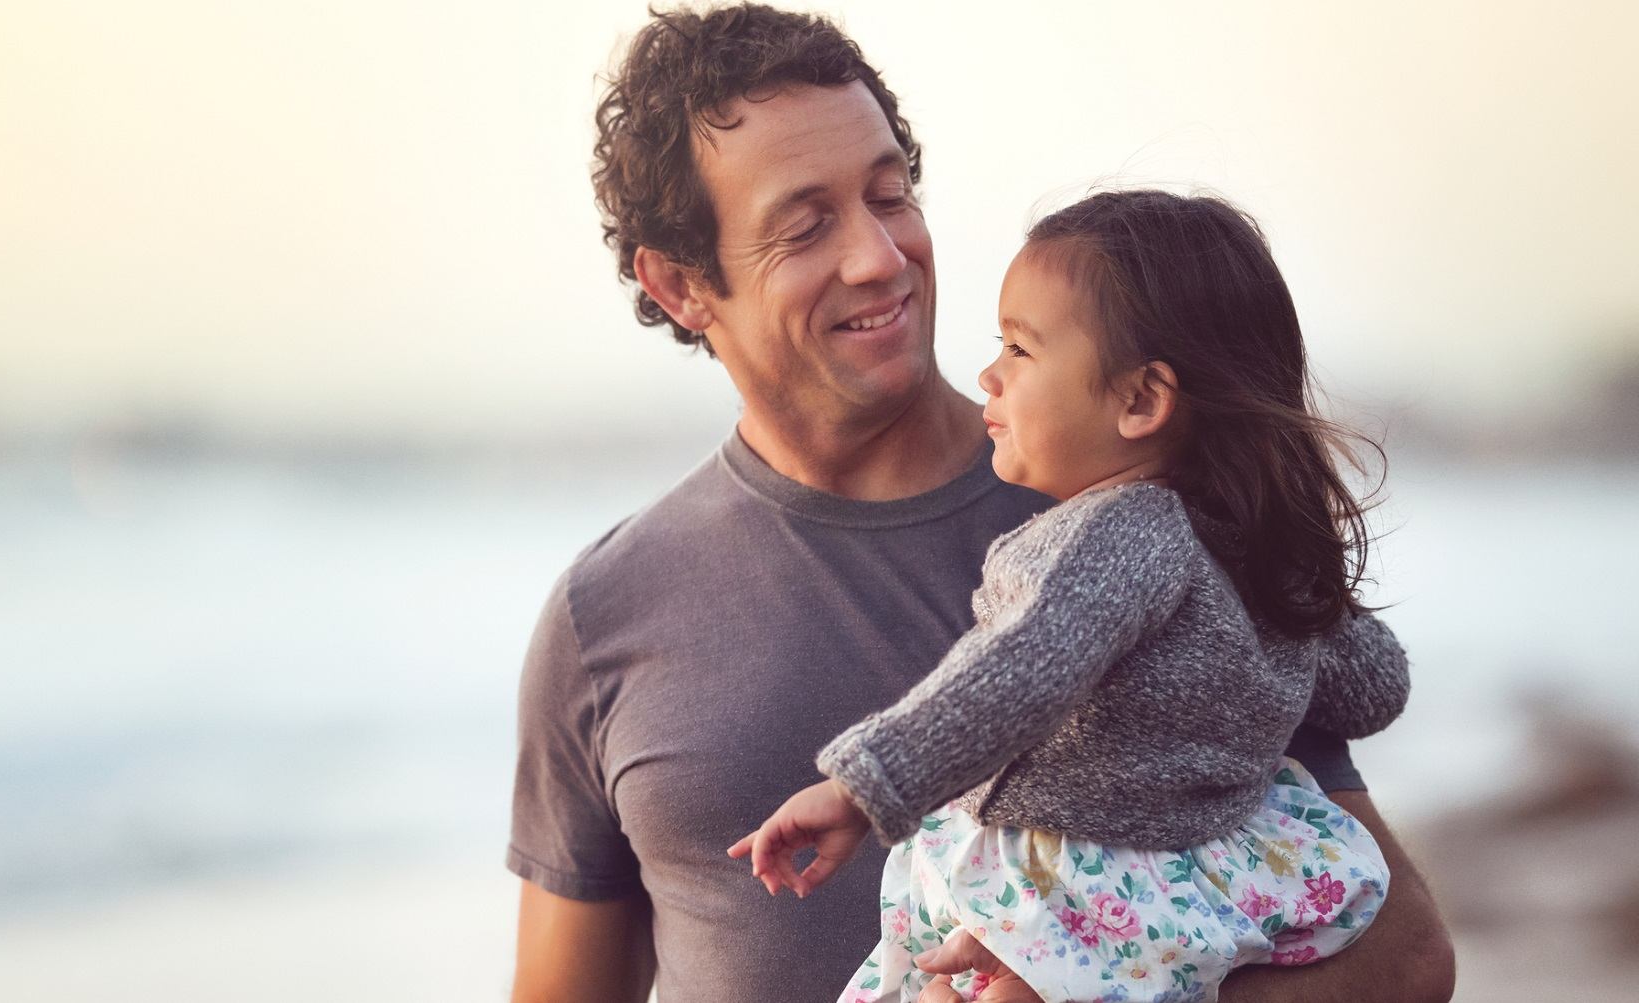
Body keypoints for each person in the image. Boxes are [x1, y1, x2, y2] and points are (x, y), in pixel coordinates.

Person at [507, 6, 1455, 1002]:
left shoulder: (1159, 515)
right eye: (805, 225)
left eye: (890, 193)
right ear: (680, 283)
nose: (880, 255)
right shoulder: (602, 617)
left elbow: (1406, 960)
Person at [731, 189, 1409, 1003]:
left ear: (1138, 401)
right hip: (1207, 889)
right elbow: (1374, 688)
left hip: (1075, 889)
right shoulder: (1253, 551)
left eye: (1019, 349)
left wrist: (860, 788)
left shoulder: (1115, 535)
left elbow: (1017, 671)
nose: (989, 373)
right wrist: (1307, 594)